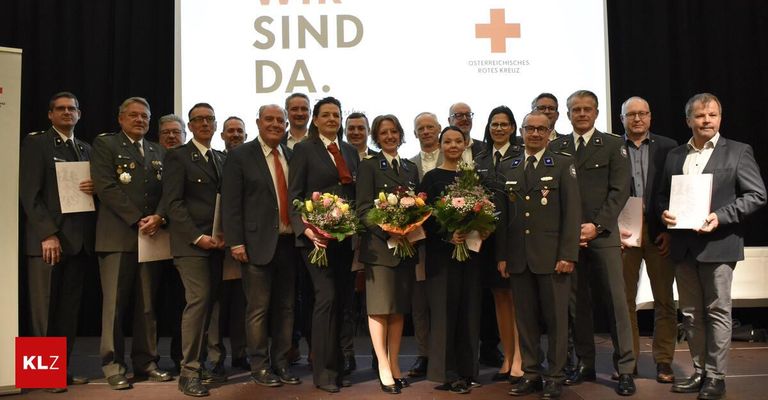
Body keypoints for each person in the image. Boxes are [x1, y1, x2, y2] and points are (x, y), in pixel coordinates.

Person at [661, 93, 766, 400]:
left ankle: (716, 377)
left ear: (720, 118)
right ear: (688, 120)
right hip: (683, 246)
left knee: (718, 312)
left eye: (712, 115)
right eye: (700, 115)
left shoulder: (738, 151)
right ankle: (698, 371)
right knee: (691, 314)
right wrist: (662, 212)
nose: (706, 120)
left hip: (719, 244)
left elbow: (756, 195)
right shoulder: (675, 155)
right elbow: (661, 197)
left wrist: (720, 217)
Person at [549, 90, 636, 396]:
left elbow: (619, 190)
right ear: (568, 114)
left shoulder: (613, 145)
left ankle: (625, 368)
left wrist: (595, 226)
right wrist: (572, 231)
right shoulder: (556, 146)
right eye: (576, 109)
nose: (582, 114)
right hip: (570, 239)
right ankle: (584, 362)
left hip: (603, 236)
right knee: (576, 306)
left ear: (597, 113)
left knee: (615, 303)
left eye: (587, 109)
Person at [497, 111, 581, 398]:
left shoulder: (562, 164)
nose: (535, 134)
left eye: (541, 129)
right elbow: (503, 219)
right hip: (519, 258)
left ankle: (555, 376)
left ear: (549, 132)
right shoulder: (509, 166)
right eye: (530, 129)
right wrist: (503, 256)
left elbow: (572, 214)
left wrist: (568, 254)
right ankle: (531, 373)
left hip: (553, 257)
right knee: (526, 320)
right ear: (521, 131)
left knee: (557, 320)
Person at [91, 97, 171, 390]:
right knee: (114, 305)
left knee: (147, 305)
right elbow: (106, 186)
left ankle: (146, 361)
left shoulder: (157, 150)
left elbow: (168, 190)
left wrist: (159, 216)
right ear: (121, 118)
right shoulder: (106, 145)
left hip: (152, 237)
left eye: (145, 116)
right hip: (118, 237)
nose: (140, 120)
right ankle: (113, 365)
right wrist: (139, 218)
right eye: (134, 115)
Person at [221, 104, 302, 389]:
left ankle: (280, 362)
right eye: (270, 119)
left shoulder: (292, 155)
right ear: (258, 122)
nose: (276, 124)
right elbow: (231, 203)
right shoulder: (241, 155)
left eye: (280, 120)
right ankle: (259, 365)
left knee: (287, 308)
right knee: (258, 309)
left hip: (289, 243)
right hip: (255, 245)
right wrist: (236, 242)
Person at [20, 91, 95, 393]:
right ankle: (41, 376)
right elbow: (29, 194)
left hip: (77, 243)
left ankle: (60, 371)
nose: (67, 113)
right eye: (60, 109)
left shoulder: (86, 149)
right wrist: (47, 234)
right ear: (50, 114)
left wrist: (96, 187)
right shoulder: (36, 144)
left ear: (79, 114)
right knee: (44, 311)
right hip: (47, 243)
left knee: (67, 313)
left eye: (72, 109)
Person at [288, 96, 359, 393]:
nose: (332, 119)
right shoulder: (304, 150)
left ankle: (341, 366)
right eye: (326, 115)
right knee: (326, 299)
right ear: (315, 120)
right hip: (316, 241)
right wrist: (305, 230)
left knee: (344, 303)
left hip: (345, 239)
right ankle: (323, 372)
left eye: (336, 115)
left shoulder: (350, 151)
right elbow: (294, 196)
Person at [162, 103, 227, 397]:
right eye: (198, 119)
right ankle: (188, 372)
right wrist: (199, 238)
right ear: (190, 125)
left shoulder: (221, 158)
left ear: (215, 125)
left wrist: (225, 235)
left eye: (209, 119)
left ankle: (198, 365)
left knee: (209, 306)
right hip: (192, 246)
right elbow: (173, 204)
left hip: (217, 245)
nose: (205, 123)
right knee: (198, 302)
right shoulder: (178, 157)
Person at [418, 126, 485, 394]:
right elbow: (424, 218)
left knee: (469, 313)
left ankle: (469, 371)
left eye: (458, 141)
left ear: (466, 144)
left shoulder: (474, 179)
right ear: (440, 144)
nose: (453, 145)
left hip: (471, 256)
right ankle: (448, 373)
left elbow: (485, 211)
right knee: (445, 315)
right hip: (442, 257)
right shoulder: (431, 178)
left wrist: (483, 227)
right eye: (448, 141)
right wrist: (448, 234)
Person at [356, 114, 419, 395]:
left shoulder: (409, 168)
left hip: (405, 248)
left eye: (394, 132)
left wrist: (408, 227)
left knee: (398, 310)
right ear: (376, 137)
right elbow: (362, 210)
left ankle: (394, 364)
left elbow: (416, 207)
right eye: (384, 133)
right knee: (380, 309)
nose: (390, 136)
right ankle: (382, 365)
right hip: (380, 249)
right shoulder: (369, 166)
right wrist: (388, 230)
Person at [618, 96, 678, 383]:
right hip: (625, 234)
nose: (637, 119)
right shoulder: (612, 147)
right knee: (625, 301)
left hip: (659, 233)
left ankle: (664, 361)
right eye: (631, 115)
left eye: (643, 114)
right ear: (622, 119)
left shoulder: (668, 147)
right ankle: (628, 363)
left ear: (650, 117)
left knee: (665, 300)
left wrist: (670, 230)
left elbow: (675, 190)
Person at [449, 102, 503, 368]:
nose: (463, 119)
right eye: (457, 116)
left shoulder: (484, 150)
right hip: (456, 237)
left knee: (487, 295)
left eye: (467, 115)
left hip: (485, 234)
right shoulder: (443, 151)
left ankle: (490, 347)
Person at [474, 106, 525, 383]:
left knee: (517, 299)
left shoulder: (521, 156)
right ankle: (507, 357)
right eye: (494, 124)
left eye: (504, 124)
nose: (499, 129)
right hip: (488, 241)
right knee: (499, 299)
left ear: (513, 128)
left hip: (515, 240)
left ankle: (520, 359)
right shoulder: (480, 158)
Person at [206, 116, 250, 375]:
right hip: (216, 243)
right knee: (215, 305)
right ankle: (215, 356)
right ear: (221, 135)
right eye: (230, 131)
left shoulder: (249, 161)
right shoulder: (216, 161)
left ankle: (241, 353)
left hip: (246, 243)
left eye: (239, 131)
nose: (235, 135)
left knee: (241, 304)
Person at [406, 111, 442, 377]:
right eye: (421, 128)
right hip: (418, 241)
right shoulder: (408, 165)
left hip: (450, 241)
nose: (427, 131)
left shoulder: (457, 158)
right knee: (419, 303)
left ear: (439, 129)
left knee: (443, 300)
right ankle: (423, 354)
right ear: (416, 133)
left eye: (431, 126)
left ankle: (444, 353)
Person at [155, 114, 188, 373]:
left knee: (183, 303)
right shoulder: (146, 159)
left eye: (176, 132)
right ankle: (147, 362)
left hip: (185, 243)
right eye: (166, 132)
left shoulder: (195, 161)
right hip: (147, 239)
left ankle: (181, 358)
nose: (171, 136)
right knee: (147, 305)